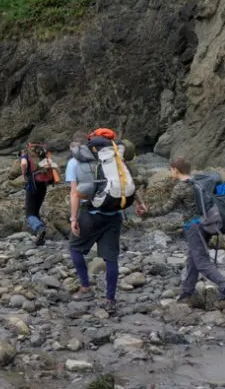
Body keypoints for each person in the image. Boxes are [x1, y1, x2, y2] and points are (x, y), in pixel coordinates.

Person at [140, 157, 225, 308]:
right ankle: (186, 295)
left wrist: (147, 214)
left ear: (175, 169)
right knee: (192, 260)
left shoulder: (181, 187)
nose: (171, 172)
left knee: (201, 262)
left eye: (171, 169)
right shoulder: (198, 182)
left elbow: (167, 208)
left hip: (194, 227)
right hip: (206, 224)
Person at [66, 129, 146, 314]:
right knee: (111, 259)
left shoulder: (76, 161)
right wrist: (140, 204)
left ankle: (85, 287)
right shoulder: (118, 158)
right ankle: (110, 299)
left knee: (75, 248)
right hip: (115, 215)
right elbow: (128, 182)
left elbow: (75, 193)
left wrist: (73, 218)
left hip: (91, 214)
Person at [20, 143, 59, 245]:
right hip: (43, 186)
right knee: (36, 211)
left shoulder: (26, 155)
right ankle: (41, 237)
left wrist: (23, 175)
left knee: (29, 214)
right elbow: (54, 167)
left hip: (32, 186)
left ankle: (39, 228)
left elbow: (23, 163)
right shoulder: (44, 156)